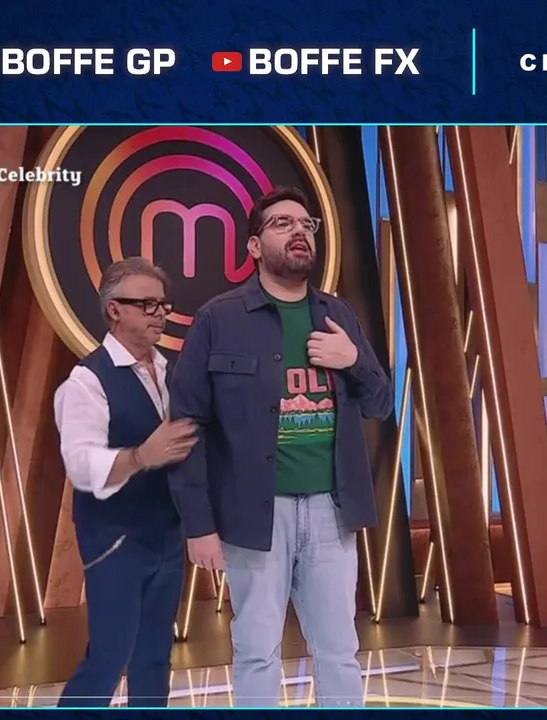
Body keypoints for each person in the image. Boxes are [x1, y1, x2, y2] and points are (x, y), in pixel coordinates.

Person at [167, 186, 394, 708]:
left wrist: (353, 359)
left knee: (339, 650)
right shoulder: (219, 319)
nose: (299, 232)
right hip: (253, 515)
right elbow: (186, 426)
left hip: (332, 511)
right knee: (256, 650)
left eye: (306, 224)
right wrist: (198, 525)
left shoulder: (338, 315)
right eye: (282, 224)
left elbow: (381, 404)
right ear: (253, 246)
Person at [54, 258, 198, 707]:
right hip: (115, 536)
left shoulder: (171, 370)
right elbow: (81, 464)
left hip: (167, 532)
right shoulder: (87, 380)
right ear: (114, 310)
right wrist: (139, 457)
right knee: (109, 656)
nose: (159, 313)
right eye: (146, 304)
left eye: (163, 304)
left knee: (154, 657)